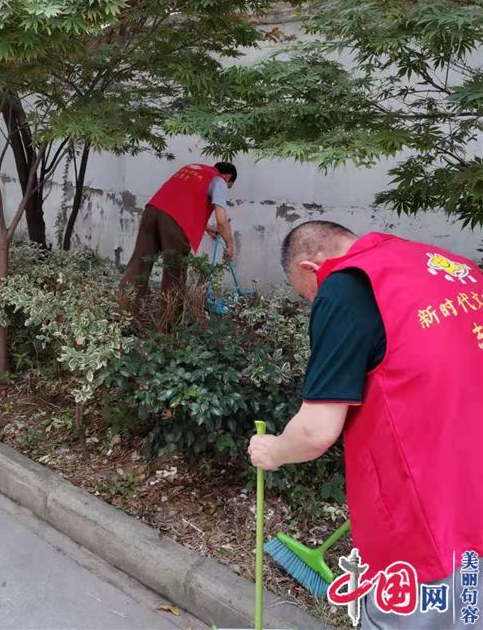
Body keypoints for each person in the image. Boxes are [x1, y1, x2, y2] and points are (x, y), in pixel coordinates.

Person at [248, 221, 483, 629]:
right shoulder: (445, 265)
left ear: (311, 266)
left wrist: (273, 451)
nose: (315, 303)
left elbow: (316, 430)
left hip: (425, 526)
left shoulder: (345, 285)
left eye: (310, 297)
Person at [119, 162, 237, 307]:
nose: (227, 187)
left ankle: (123, 311)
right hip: (175, 223)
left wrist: (205, 227)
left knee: (139, 262)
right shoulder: (219, 181)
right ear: (228, 177)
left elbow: (178, 201)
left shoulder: (192, 169)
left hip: (152, 211)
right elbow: (221, 220)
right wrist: (230, 245)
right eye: (229, 185)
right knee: (174, 272)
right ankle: (169, 324)